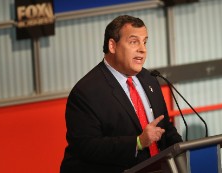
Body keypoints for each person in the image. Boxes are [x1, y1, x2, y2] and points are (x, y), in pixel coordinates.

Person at [60, 15, 183, 173]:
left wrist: (185, 153)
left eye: (144, 42)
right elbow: (86, 147)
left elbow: (165, 128)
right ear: (112, 45)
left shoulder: (149, 79)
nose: (142, 49)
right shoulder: (86, 92)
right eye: (133, 42)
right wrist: (138, 142)